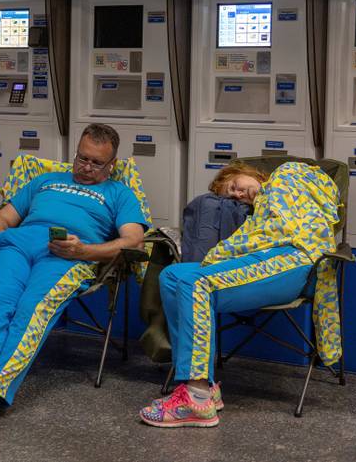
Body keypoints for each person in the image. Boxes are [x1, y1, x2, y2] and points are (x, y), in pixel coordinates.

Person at [0, 124, 148, 428]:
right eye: (82, 158)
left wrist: (85, 251)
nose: (85, 167)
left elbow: (134, 241)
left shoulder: (119, 193)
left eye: (96, 163)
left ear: (112, 165)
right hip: (18, 245)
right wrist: (2, 238)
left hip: (69, 254)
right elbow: (1, 219)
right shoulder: (45, 181)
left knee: (32, 309)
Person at [138, 162, 342, 428]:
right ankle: (205, 385)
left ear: (247, 171)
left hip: (294, 258)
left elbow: (284, 229)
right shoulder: (260, 212)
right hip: (266, 258)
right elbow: (262, 235)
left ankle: (196, 400)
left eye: (234, 186)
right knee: (173, 277)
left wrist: (225, 251)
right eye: (232, 196)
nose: (237, 194)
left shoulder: (286, 176)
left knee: (196, 283)